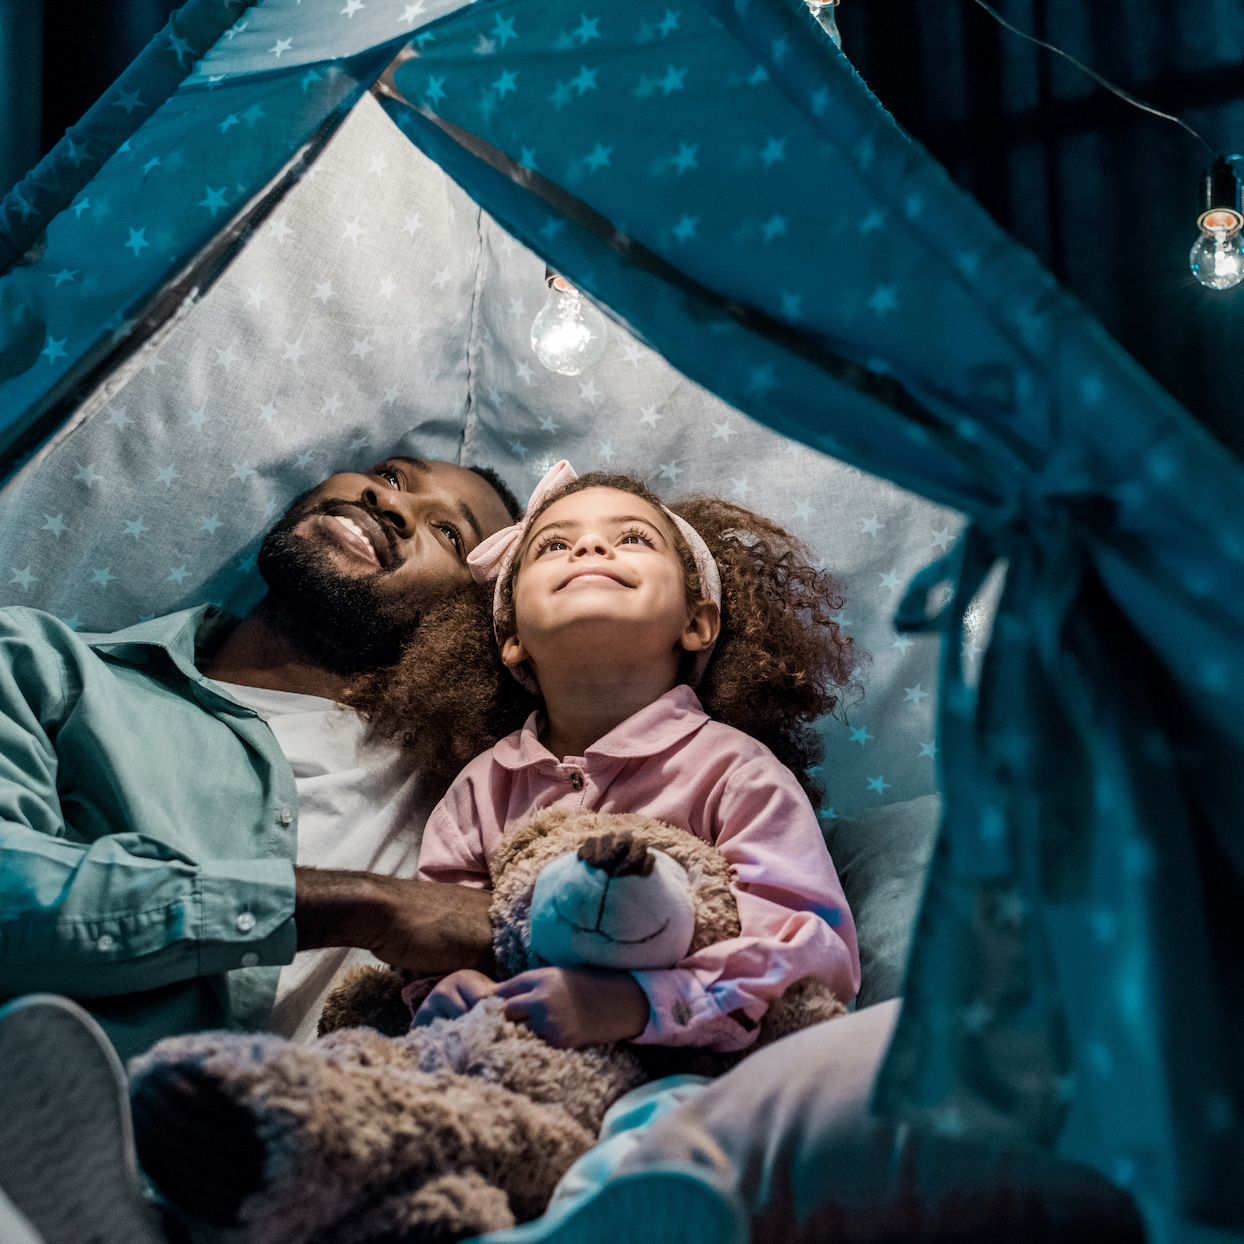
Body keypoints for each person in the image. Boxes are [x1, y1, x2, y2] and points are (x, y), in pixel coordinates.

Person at [0, 454, 523, 1062]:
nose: (391, 503)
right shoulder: (44, 665)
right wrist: (366, 909)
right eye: (390, 476)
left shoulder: (481, 793)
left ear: (471, 622)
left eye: (450, 533)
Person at [391, 460, 863, 1050]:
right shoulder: (480, 789)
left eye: (633, 539)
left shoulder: (737, 771)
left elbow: (815, 954)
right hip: (519, 1069)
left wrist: (637, 1003)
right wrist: (447, 985)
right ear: (511, 636)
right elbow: (443, 925)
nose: (588, 545)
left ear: (697, 622)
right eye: (552, 545)